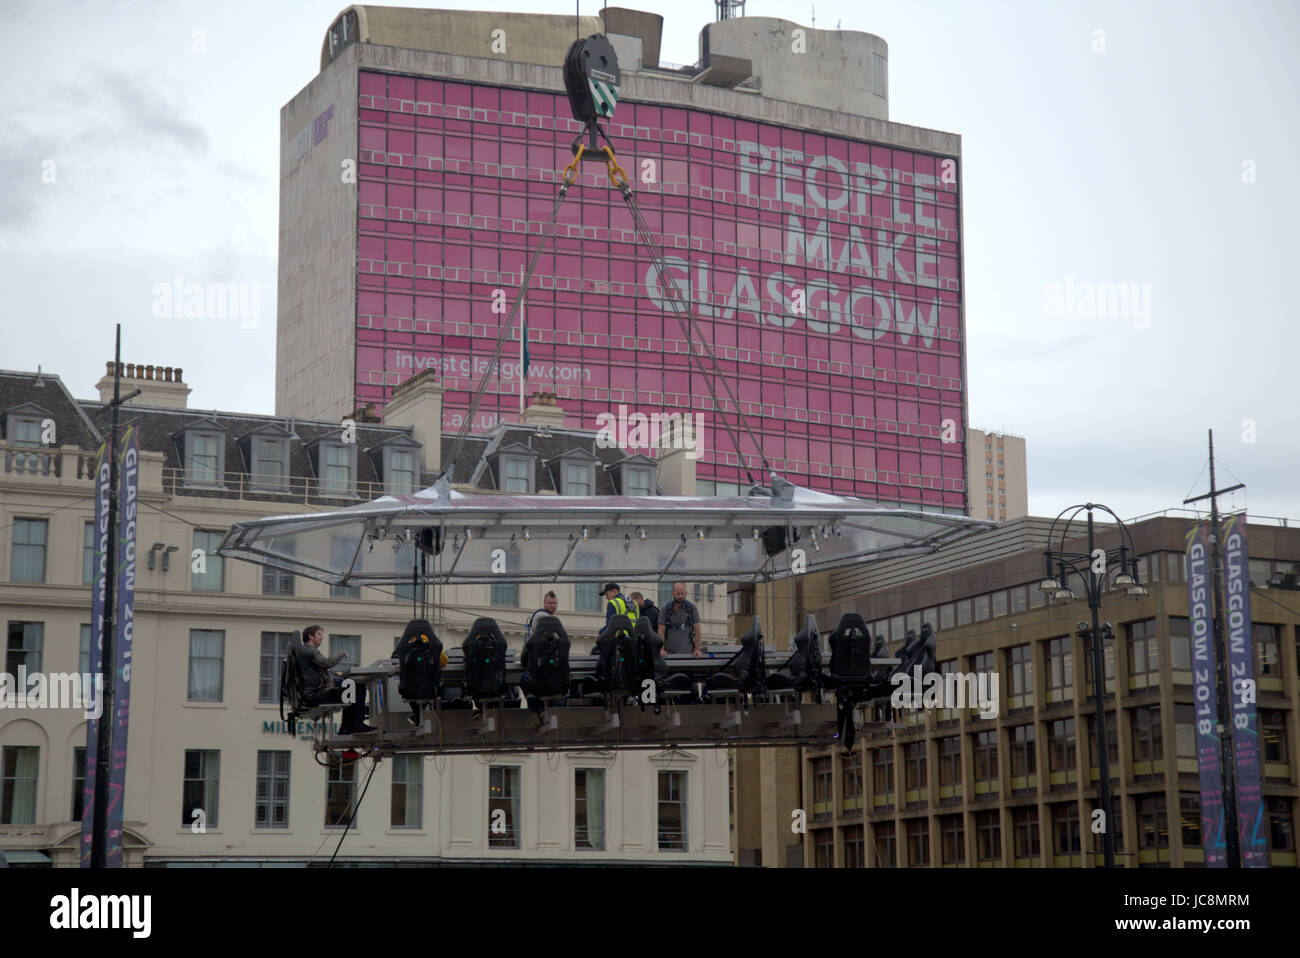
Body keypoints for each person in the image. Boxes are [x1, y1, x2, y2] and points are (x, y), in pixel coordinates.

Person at [293, 625, 376, 734]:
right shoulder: (311, 651)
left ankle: (346, 727)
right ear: (310, 636)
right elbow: (327, 663)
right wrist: (342, 653)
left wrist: (335, 674)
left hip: (313, 691)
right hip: (320, 692)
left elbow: (318, 670)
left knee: (350, 687)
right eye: (319, 634)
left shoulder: (303, 652)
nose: (321, 637)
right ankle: (356, 724)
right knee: (358, 687)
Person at [660, 581, 703, 657]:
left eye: (682, 594)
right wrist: (661, 649)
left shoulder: (692, 608)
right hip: (668, 655)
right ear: (673, 594)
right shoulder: (665, 610)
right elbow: (661, 631)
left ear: (686, 593)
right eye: (678, 594)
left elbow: (697, 629)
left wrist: (697, 649)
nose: (680, 596)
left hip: (688, 655)